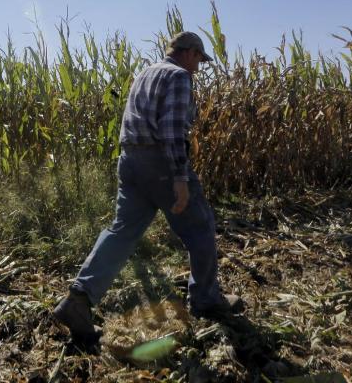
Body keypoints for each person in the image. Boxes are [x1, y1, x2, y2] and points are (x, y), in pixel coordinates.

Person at [53, 31, 243, 342]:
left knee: (122, 231)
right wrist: (180, 179)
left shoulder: (145, 73)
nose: (198, 67)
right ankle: (207, 300)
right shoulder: (179, 76)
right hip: (160, 164)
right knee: (201, 226)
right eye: (199, 59)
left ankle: (79, 299)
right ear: (190, 52)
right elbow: (171, 130)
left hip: (130, 161)